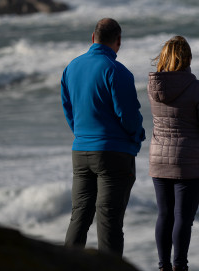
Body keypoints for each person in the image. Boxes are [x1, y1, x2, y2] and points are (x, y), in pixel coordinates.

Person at [60, 18, 145, 257]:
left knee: (79, 216)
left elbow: (69, 110)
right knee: (108, 221)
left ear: (92, 38)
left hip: (81, 151)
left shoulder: (71, 68)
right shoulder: (117, 71)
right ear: (118, 41)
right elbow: (128, 116)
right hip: (113, 154)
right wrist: (137, 137)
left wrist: (81, 135)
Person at [147, 35, 199, 271]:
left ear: (164, 58)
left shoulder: (153, 87)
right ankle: (180, 270)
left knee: (164, 215)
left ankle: (163, 270)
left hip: (159, 157)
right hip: (188, 160)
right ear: (187, 58)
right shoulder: (197, 87)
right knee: (183, 217)